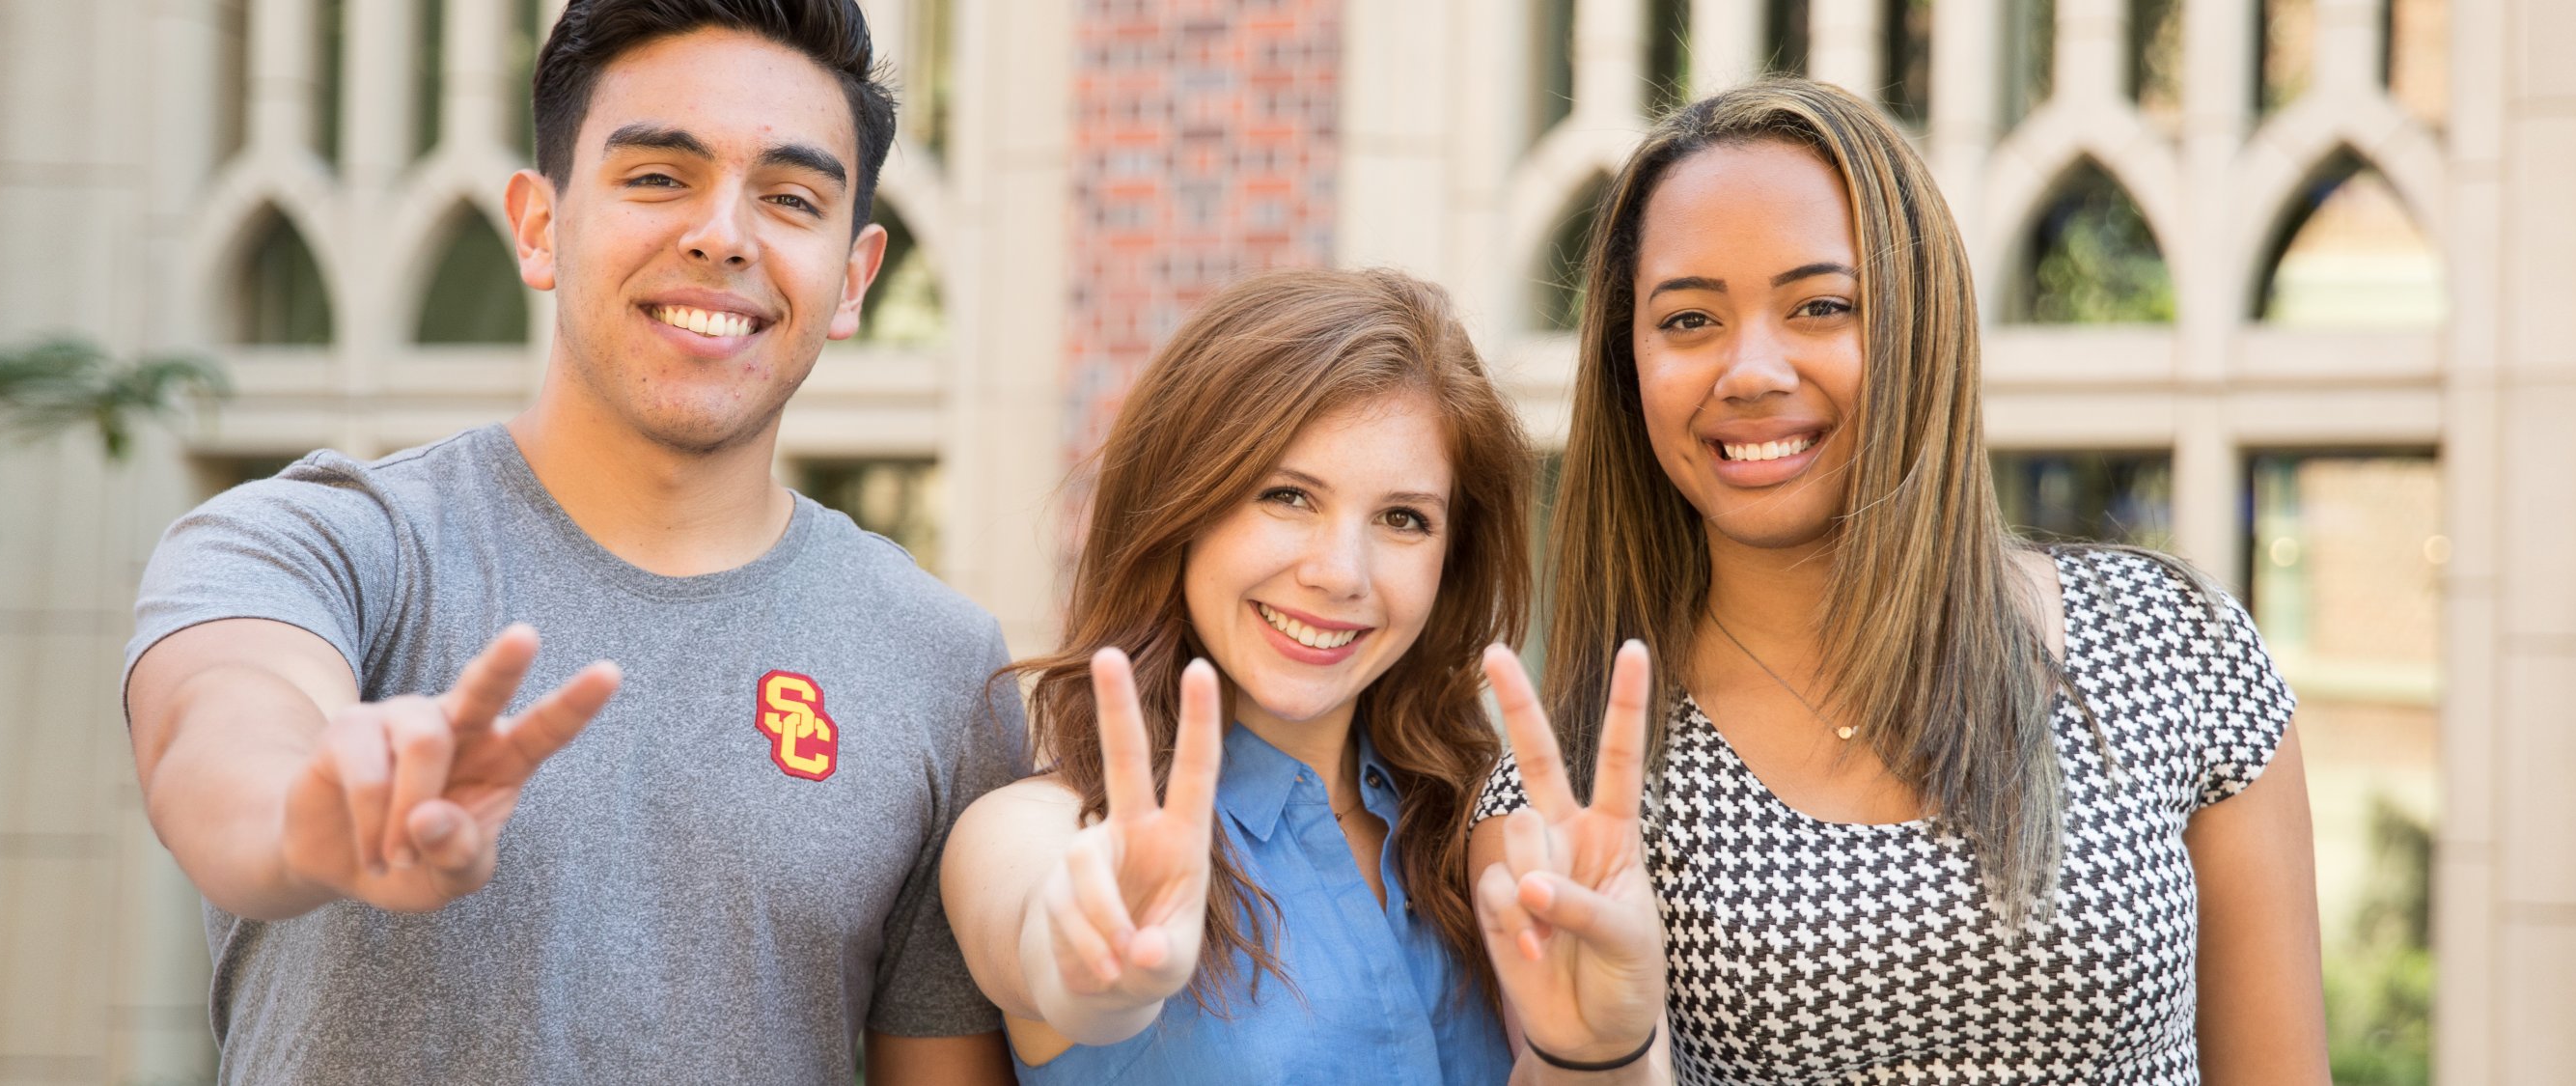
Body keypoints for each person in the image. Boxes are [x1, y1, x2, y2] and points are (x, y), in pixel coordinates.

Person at [120, 1, 1022, 1081]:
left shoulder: (940, 665)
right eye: (657, 178)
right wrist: (313, 814)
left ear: (855, 278)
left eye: (789, 198)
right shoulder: (322, 543)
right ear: (540, 227)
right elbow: (214, 736)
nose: (723, 234)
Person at [1465, 77, 2332, 1084]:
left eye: (1821, 306)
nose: (1749, 370)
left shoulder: (2175, 650)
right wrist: (1596, 1050)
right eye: (1689, 321)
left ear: (1922, 329)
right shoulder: (1567, 797)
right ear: (1630, 368)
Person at [939, 268, 1534, 1084]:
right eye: (1288, 496)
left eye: (1403, 518)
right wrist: (1091, 953)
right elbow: (1035, 925)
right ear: (1181, 506)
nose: (1340, 572)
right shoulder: (1048, 828)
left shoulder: (1475, 834)